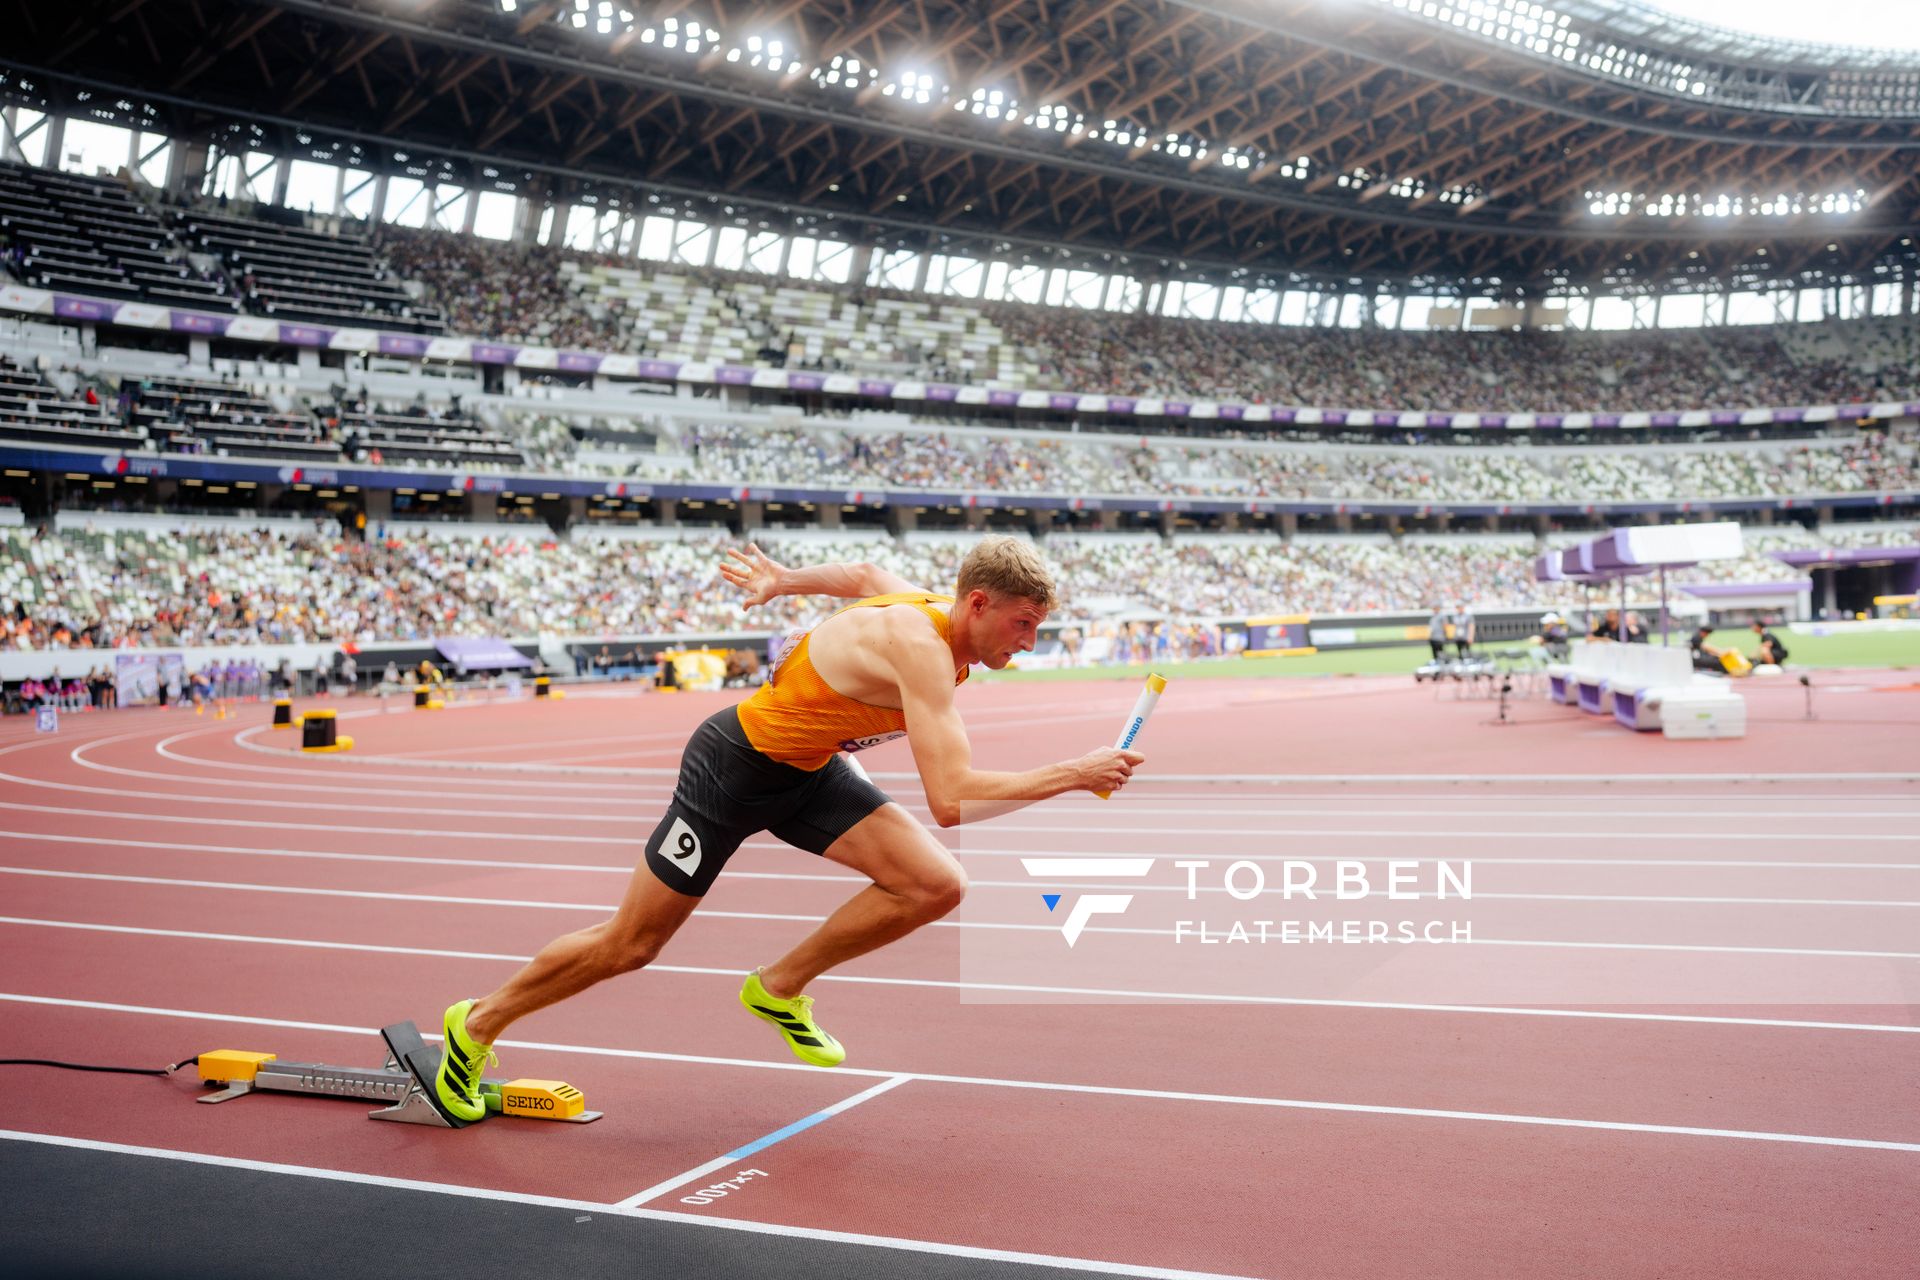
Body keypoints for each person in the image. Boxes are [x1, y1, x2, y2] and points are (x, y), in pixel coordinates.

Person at [430, 537, 1145, 1123]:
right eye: (1024, 623)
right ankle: (477, 1025)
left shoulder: (935, 610)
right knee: (632, 944)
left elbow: (865, 572)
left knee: (934, 884)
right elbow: (952, 800)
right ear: (979, 604)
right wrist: (1075, 772)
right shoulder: (921, 649)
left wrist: (784, 580)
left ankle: (778, 987)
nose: (1031, 641)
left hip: (808, 770)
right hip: (733, 767)